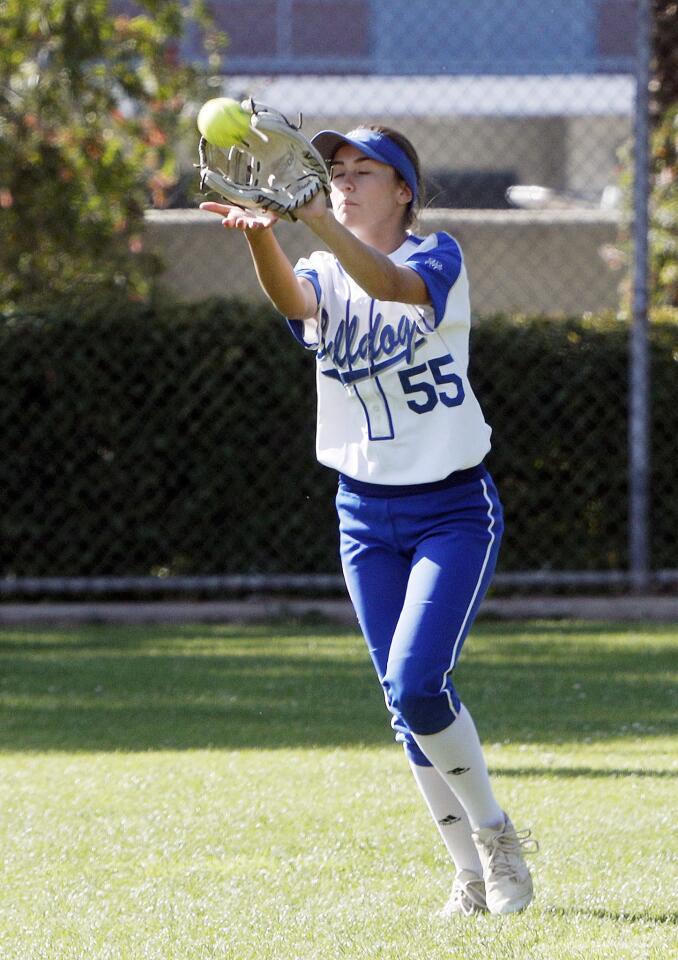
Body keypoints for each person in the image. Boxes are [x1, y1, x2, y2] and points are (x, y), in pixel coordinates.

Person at [200, 123, 536, 916]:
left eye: (364, 170)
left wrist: (312, 216)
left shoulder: (436, 255)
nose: (344, 181)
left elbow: (388, 287)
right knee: (402, 701)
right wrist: (262, 243)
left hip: (452, 509)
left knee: (421, 685)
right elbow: (300, 301)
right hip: (362, 512)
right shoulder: (321, 263)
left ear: (404, 190)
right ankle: (469, 874)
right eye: (336, 169)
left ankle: (497, 839)